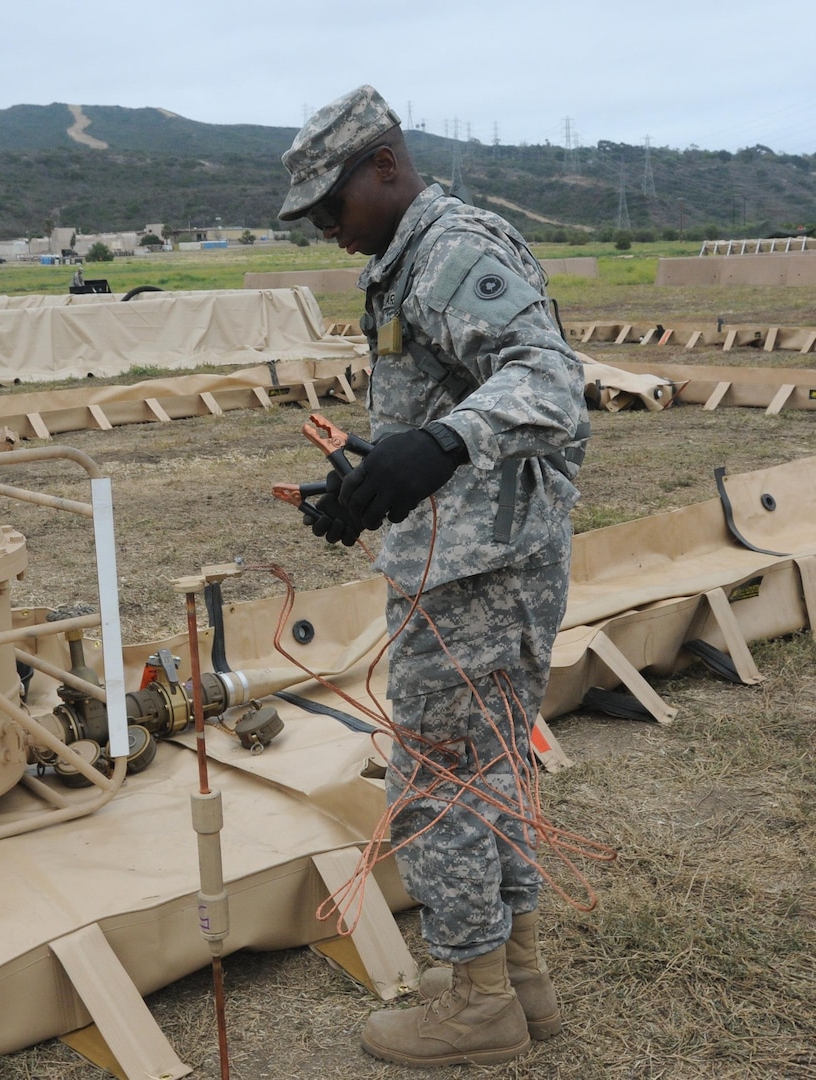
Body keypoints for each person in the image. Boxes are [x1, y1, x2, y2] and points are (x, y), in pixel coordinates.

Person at [278, 86, 589, 1068]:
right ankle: (520, 980)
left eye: (332, 206)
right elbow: (448, 416)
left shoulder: (451, 251)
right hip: (474, 553)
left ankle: (476, 1001)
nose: (328, 231)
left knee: (437, 778)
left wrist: (445, 444)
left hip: (478, 575)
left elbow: (551, 383)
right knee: (489, 766)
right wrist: (374, 485)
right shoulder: (413, 257)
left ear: (383, 165)